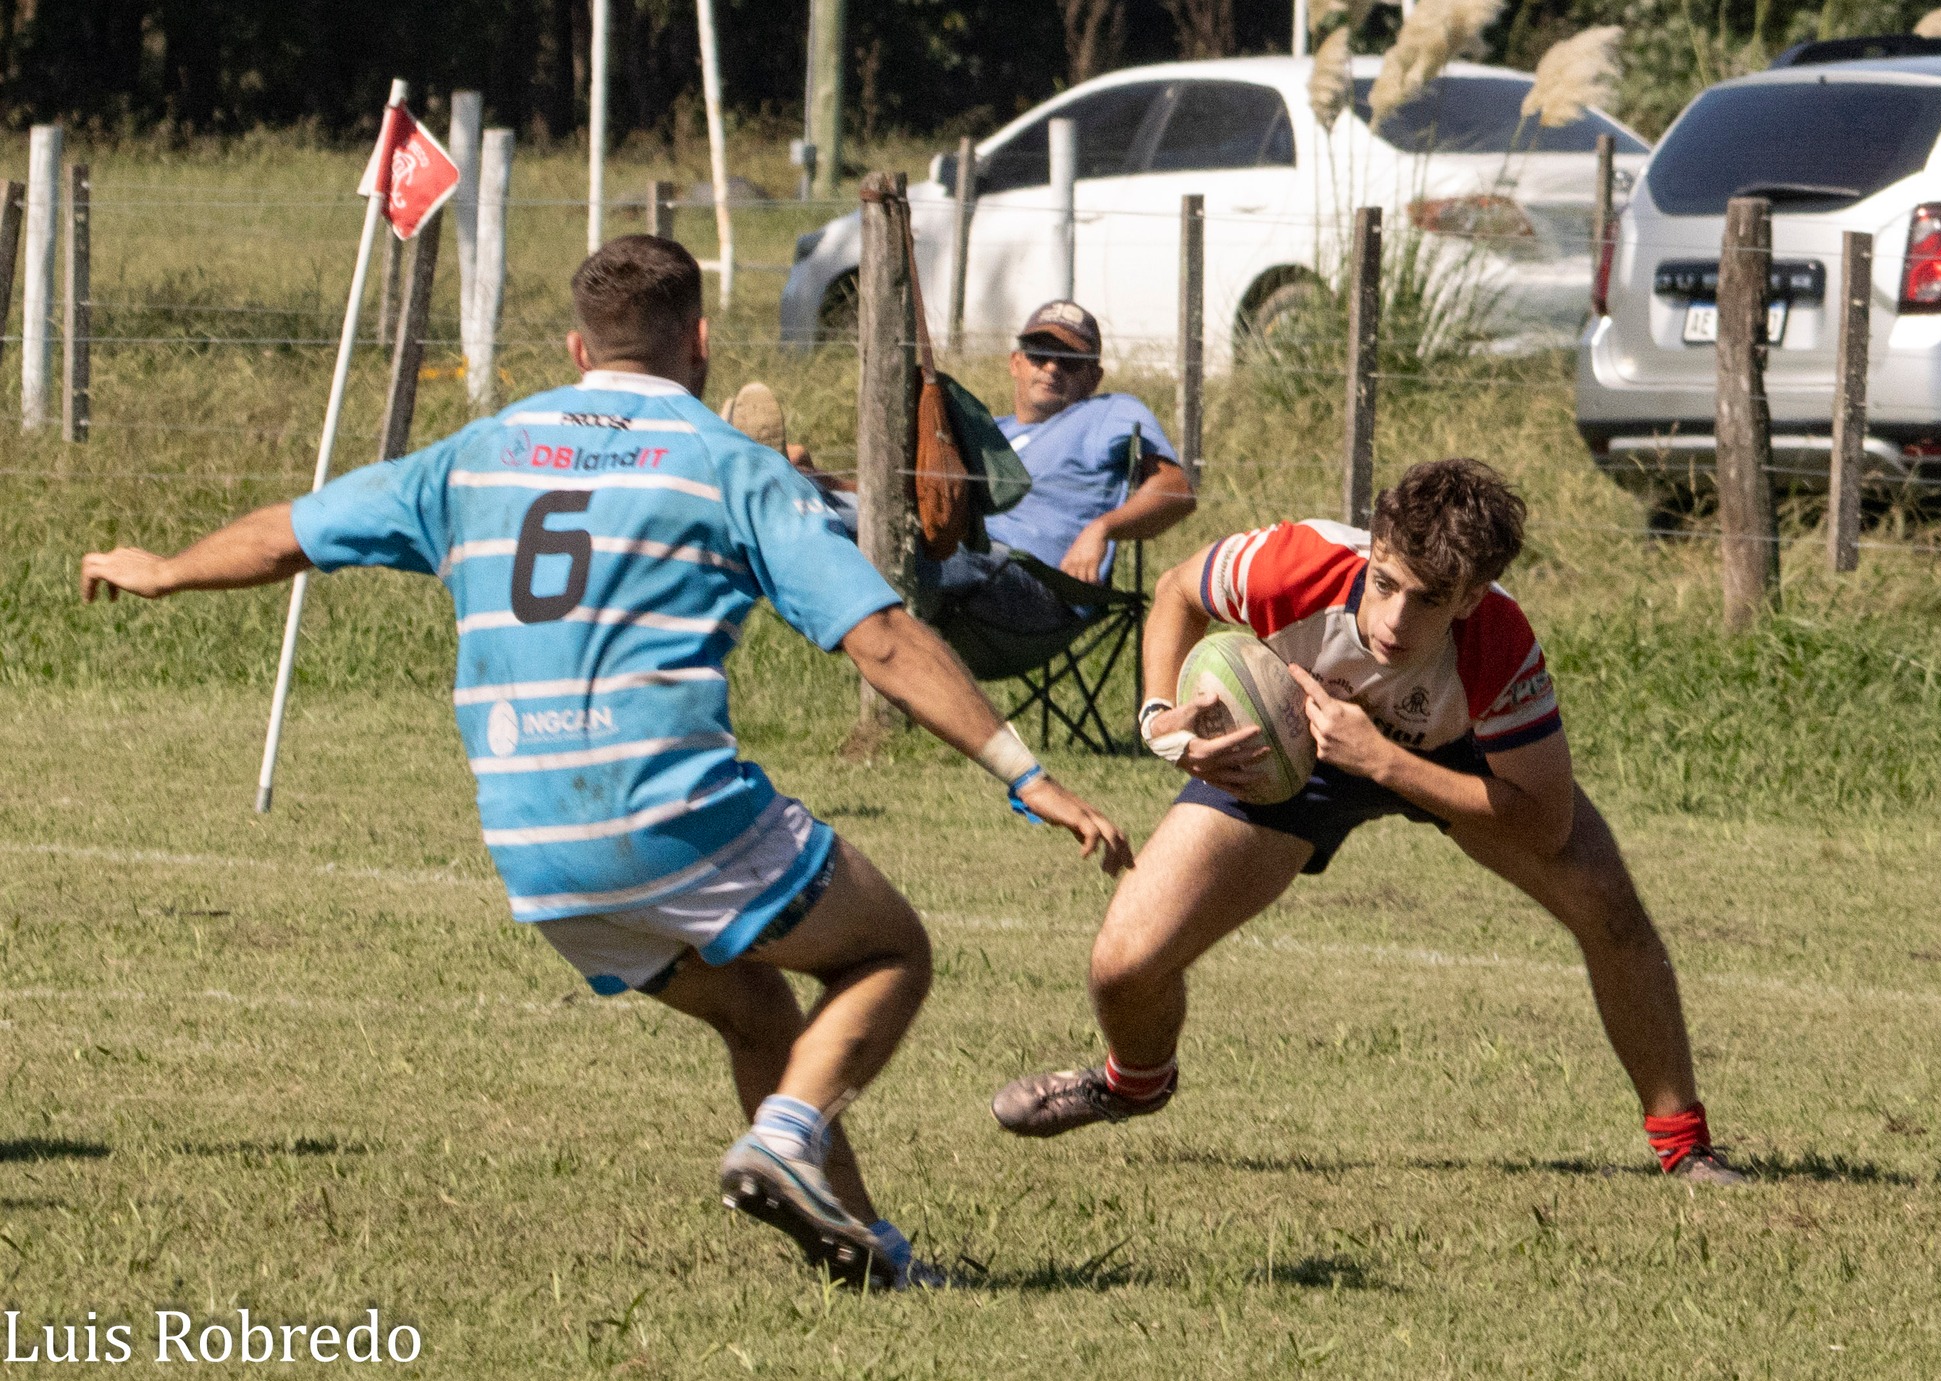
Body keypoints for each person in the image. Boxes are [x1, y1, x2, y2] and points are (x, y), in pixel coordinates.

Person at [80, 235, 1134, 1289]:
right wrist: (1025, 773)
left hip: (536, 850)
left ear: (578, 347)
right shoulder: (726, 461)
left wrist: (165, 569)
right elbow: (883, 638)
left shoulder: (480, 449)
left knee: (756, 1007)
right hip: (667, 809)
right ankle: (786, 1137)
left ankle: (872, 1259)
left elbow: (290, 533)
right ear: (702, 342)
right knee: (889, 952)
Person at [989, 459, 1745, 1185]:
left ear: (1472, 598)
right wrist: (1159, 716)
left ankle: (1685, 1146)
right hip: (1292, 750)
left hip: (1455, 763)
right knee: (1122, 965)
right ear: (1372, 550)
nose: (1392, 619)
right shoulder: (1293, 564)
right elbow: (1176, 591)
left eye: (1428, 599)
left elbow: (1543, 821)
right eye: (1385, 583)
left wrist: (1382, 761)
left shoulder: (1499, 644)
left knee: (1610, 911)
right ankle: (1134, 1082)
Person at [742, 299, 1197, 637]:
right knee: (849, 510)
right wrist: (824, 479)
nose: (1053, 367)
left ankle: (758, 485)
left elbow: (1177, 490)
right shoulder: (987, 434)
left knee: (847, 528)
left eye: (1072, 360)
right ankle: (788, 485)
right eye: (1040, 353)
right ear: (1015, 363)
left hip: (1032, 584)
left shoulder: (1110, 412)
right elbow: (915, 504)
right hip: (952, 551)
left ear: (1093, 376)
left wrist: (1101, 529)